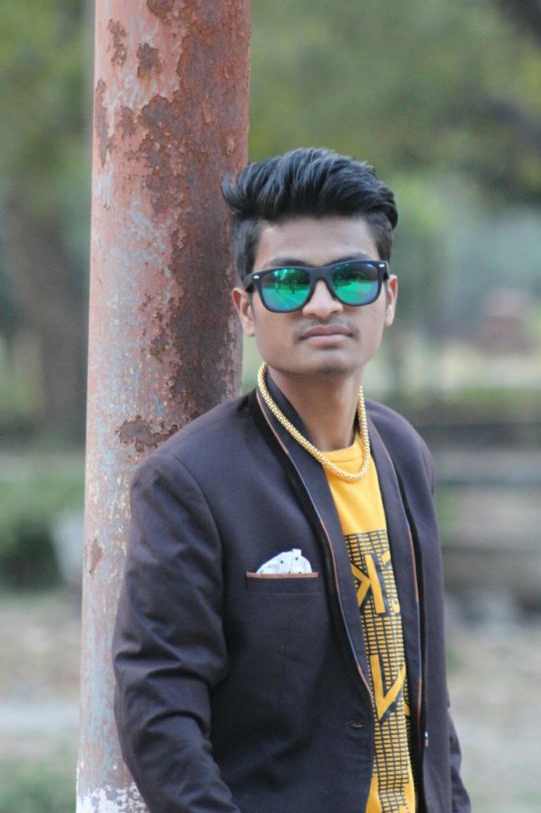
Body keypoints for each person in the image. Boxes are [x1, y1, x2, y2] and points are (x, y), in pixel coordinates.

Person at [113, 147, 471, 813]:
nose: (323, 304)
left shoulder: (403, 453)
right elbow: (159, 711)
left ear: (388, 299)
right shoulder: (191, 480)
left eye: (353, 278)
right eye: (287, 283)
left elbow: (425, 691)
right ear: (246, 309)